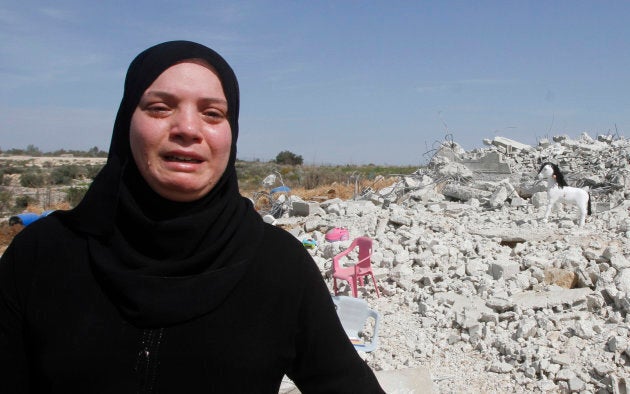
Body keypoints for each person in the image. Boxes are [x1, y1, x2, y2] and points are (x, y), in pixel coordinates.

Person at [0, 40, 384, 393]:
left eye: (212, 113)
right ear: (125, 123)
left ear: (231, 133)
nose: (187, 129)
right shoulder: (40, 255)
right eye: (159, 107)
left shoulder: (278, 266)